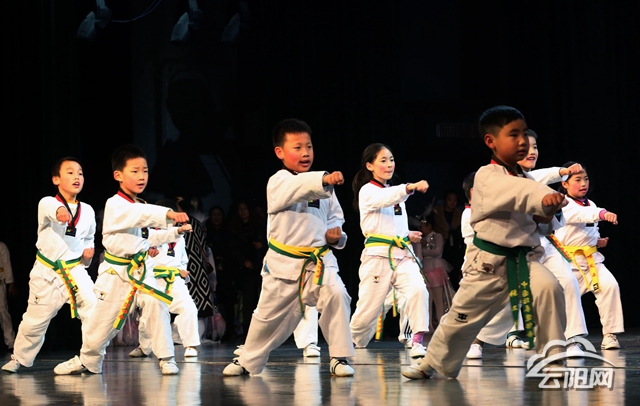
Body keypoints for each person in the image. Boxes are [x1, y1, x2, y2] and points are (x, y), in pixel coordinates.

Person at [403, 105, 567, 379]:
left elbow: (540, 218)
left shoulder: (527, 179)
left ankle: (554, 360)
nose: (522, 141)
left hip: (522, 261)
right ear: (491, 141)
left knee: (550, 288)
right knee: (459, 318)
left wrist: (549, 207)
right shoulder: (486, 176)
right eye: (513, 135)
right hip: (488, 265)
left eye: (524, 134)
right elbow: (517, 193)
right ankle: (429, 363)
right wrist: (543, 197)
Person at [223, 118, 355, 377]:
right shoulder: (278, 182)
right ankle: (247, 360)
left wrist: (336, 237)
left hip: (318, 262)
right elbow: (297, 188)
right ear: (279, 152)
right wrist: (323, 179)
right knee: (266, 318)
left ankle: (339, 358)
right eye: (297, 147)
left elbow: (335, 218)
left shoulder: (323, 184)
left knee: (337, 294)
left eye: (309, 146)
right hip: (285, 265)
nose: (305, 153)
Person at [53, 145, 190, 376]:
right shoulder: (115, 204)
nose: (141, 176)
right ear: (118, 175)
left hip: (140, 270)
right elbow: (137, 215)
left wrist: (175, 232)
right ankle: (87, 360)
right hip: (116, 273)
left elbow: (146, 237)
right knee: (101, 323)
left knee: (156, 305)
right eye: (134, 171)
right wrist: (168, 213)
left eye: (145, 171)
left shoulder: (140, 205)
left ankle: (167, 358)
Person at [2, 158, 97, 373]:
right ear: (56, 179)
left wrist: (88, 256)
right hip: (47, 272)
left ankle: (90, 359)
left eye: (80, 173)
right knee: (35, 321)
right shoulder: (47, 202)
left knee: (93, 306)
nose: (77, 177)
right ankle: (19, 358)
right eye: (70, 172)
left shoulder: (88, 211)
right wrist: (60, 211)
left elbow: (89, 238)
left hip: (74, 270)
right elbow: (52, 208)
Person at [348, 143, 430, 359]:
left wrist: (408, 235)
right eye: (383, 160)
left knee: (418, 290)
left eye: (391, 160)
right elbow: (384, 198)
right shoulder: (368, 191)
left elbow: (394, 226)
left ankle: (417, 341)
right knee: (367, 313)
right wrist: (410, 187)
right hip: (377, 258)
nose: (389, 164)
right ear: (370, 166)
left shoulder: (395, 195)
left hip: (402, 256)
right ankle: (351, 340)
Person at [554, 162, 623, 349]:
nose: (583, 183)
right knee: (569, 299)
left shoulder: (590, 203)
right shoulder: (563, 204)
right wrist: (602, 213)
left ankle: (610, 335)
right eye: (578, 180)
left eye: (585, 179)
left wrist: (597, 241)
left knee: (610, 286)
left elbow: (590, 226)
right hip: (569, 264)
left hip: (592, 261)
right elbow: (581, 215)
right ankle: (572, 339)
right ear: (565, 184)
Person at [129, 198, 200, 358]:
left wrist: (182, 271)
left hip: (174, 279)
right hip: (151, 278)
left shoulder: (178, 234)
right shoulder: (145, 233)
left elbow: (183, 259)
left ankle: (190, 345)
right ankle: (144, 347)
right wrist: (146, 255)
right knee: (148, 315)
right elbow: (134, 256)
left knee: (188, 307)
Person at [416, 211, 451, 333]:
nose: (420, 228)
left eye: (422, 226)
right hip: (425, 268)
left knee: (438, 299)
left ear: (429, 226)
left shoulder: (437, 236)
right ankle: (429, 325)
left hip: (435, 267)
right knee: (427, 300)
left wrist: (424, 250)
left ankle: (441, 324)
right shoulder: (420, 239)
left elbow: (437, 251)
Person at [432, 190, 464, 287]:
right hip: (442, 249)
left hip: (456, 249)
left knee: (455, 275)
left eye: (455, 200)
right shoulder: (437, 214)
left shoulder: (460, 215)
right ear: (445, 200)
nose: (452, 202)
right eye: (450, 199)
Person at [0, 241, 16, 352]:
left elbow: (6, 264)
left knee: (3, 312)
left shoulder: (1, 246)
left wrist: (11, 283)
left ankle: (10, 341)